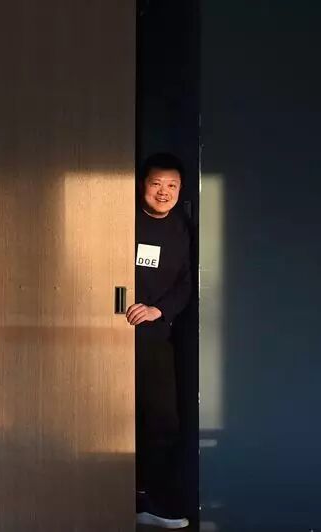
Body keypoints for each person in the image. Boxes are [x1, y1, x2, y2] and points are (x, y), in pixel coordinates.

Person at [128, 153, 192, 529]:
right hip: (111, 332)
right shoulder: (125, 218)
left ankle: (151, 501)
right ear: (143, 185)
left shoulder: (181, 226)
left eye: (172, 185)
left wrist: (158, 310)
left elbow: (186, 282)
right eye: (156, 184)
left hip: (155, 336)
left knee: (161, 420)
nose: (163, 192)